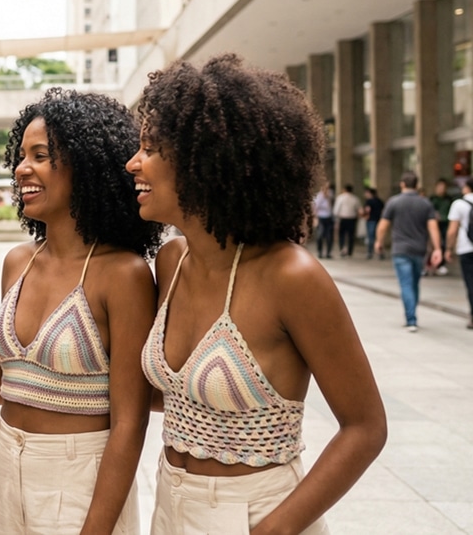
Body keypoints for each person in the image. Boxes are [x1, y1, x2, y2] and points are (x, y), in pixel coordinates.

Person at [128, 54, 386, 534]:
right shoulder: (172, 261)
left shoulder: (293, 277)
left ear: (203, 159)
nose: (133, 163)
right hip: (170, 503)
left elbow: (365, 428)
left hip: (258, 512)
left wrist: (276, 528)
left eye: (150, 148)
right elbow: (178, 399)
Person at [0, 89, 162, 534]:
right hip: (3, 464)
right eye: (21, 156)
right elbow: (7, 381)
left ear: (85, 166)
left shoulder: (124, 274)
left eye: (40, 155)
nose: (22, 169)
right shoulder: (19, 262)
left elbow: (130, 420)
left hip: (81, 477)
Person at [376, 172, 443, 331]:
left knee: (406, 284)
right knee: (414, 283)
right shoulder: (425, 203)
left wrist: (379, 242)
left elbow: (383, 225)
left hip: (400, 250)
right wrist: (438, 248)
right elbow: (433, 227)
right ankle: (412, 314)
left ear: (402, 184)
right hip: (419, 250)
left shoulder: (393, 202)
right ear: (417, 185)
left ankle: (411, 319)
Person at [445, 180, 473, 329]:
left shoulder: (459, 204)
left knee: (471, 283)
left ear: (466, 187)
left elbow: (452, 230)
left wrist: (448, 249)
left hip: (466, 248)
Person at [430, 178, 453, 275]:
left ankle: (441, 264)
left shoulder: (449, 199)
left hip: (445, 223)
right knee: (434, 244)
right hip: (435, 224)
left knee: (443, 243)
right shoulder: (432, 199)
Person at [333, 184, 362, 258]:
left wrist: (336, 219)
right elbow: (359, 209)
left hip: (343, 219)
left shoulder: (340, 198)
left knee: (341, 235)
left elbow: (336, 210)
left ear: (344, 190)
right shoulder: (355, 198)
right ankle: (350, 251)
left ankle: (342, 249)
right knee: (351, 236)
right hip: (352, 219)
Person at [312, 183, 334, 259]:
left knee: (329, 236)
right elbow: (315, 207)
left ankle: (328, 252)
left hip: (329, 217)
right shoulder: (319, 196)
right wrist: (315, 217)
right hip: (321, 217)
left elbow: (331, 205)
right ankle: (320, 252)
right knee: (320, 235)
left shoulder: (330, 194)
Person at [362, 187, 385, 259]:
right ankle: (380, 253)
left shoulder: (369, 201)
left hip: (371, 220)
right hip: (379, 220)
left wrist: (365, 216)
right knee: (378, 237)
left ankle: (370, 252)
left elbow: (367, 210)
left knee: (371, 237)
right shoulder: (379, 201)